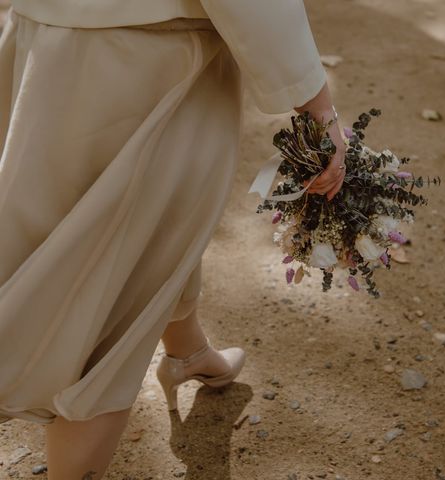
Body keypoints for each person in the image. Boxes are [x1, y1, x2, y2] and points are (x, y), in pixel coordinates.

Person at [0, 1, 346, 478]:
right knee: (105, 318)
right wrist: (316, 105)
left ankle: (188, 352)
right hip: (149, 58)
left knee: (139, 229)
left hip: (45, 40)